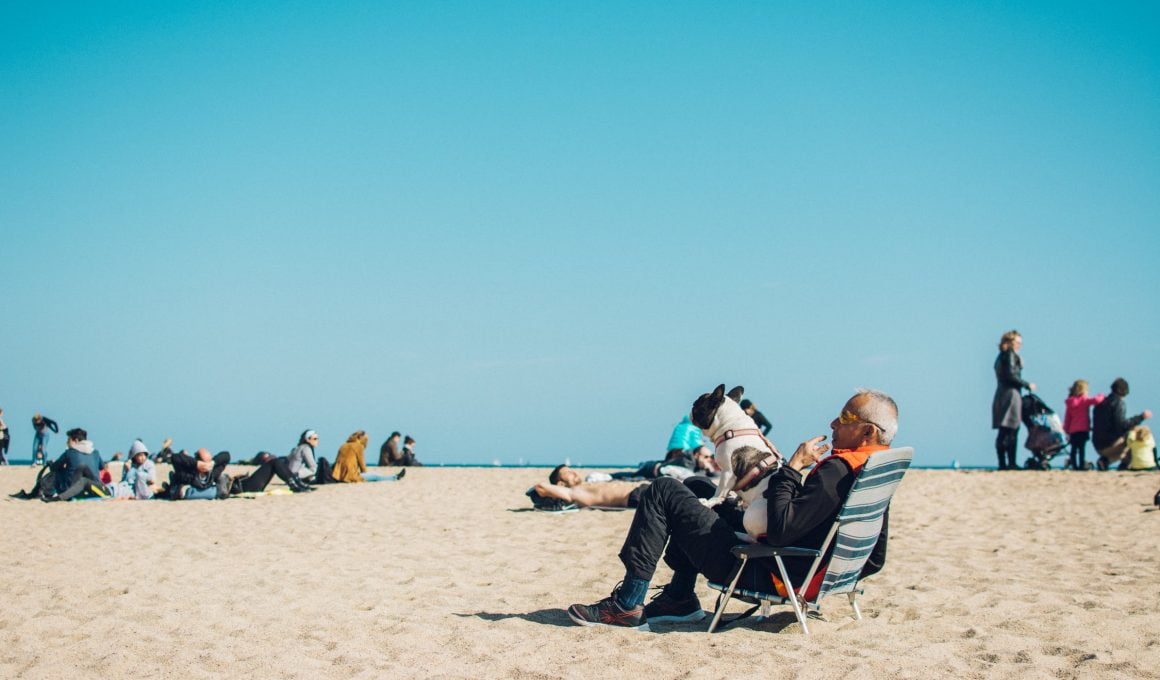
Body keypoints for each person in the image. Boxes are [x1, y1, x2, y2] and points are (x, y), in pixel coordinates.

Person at [566, 389, 899, 631]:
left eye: (845, 418)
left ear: (868, 431)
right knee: (696, 487)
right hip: (799, 566)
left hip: (765, 569)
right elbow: (876, 556)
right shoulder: (873, 468)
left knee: (663, 490)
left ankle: (627, 604)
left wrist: (792, 468)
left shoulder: (836, 472)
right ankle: (680, 598)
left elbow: (781, 529)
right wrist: (838, 573)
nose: (833, 423)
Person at [992, 330, 1035, 471]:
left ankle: (1003, 463)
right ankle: (1010, 463)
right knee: (1012, 429)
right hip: (1011, 394)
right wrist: (1027, 384)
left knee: (1004, 430)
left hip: (1001, 393)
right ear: (1010, 342)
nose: (1019, 346)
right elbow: (1011, 375)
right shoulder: (1010, 355)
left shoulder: (1000, 357)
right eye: (1017, 342)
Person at [1092, 378, 1152, 470]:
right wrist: (1141, 417)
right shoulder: (1118, 403)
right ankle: (1126, 463)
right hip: (1110, 445)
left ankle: (1105, 461)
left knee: (1129, 434)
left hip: (1098, 444)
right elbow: (1121, 426)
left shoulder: (1101, 403)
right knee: (1135, 435)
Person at [535, 465, 651, 509]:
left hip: (643, 489)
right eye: (568, 473)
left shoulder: (585, 485)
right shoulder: (574, 492)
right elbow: (540, 487)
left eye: (572, 469)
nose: (574, 472)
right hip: (637, 496)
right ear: (560, 484)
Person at [1062, 380, 1104, 470]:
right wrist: (1102, 395)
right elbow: (1096, 400)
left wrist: (1066, 429)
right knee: (1081, 449)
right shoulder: (1084, 400)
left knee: (1073, 449)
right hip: (1083, 429)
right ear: (1083, 390)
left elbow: (1067, 418)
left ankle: (1074, 466)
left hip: (1073, 430)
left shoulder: (1070, 402)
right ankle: (1081, 465)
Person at [165, 448, 231, 499]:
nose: (206, 467)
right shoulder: (188, 472)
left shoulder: (212, 472)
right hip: (186, 489)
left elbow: (226, 455)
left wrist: (213, 463)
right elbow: (175, 458)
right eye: (204, 463)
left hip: (208, 489)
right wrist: (197, 464)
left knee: (222, 479)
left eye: (208, 463)